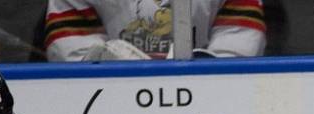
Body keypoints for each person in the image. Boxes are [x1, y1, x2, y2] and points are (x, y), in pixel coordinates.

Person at [43, 0, 267, 60]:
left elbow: (238, 44)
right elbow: (72, 49)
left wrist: (200, 80)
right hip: (108, 104)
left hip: (210, 105)